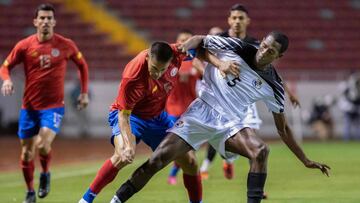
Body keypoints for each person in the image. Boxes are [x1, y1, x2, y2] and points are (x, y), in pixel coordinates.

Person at [110, 31, 330, 203]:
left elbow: (283, 129)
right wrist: (190, 49)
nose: (264, 52)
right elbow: (200, 41)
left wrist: (305, 160)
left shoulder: (274, 85)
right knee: (156, 161)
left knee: (261, 151)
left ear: (279, 56)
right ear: (261, 41)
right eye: (264, 45)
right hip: (201, 113)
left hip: (231, 125)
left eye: (271, 51)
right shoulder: (237, 46)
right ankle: (117, 198)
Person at [79, 41, 238, 203]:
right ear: (148, 57)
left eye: (163, 69)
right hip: (131, 116)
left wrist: (220, 64)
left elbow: (199, 48)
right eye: (154, 69)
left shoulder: (176, 53)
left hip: (157, 118)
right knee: (123, 155)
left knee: (190, 162)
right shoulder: (133, 75)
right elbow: (123, 116)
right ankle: (86, 199)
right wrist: (128, 144)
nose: (158, 74)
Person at [200, 3, 300, 182]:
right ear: (229, 20)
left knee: (251, 136)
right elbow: (200, 54)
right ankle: (219, 161)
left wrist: (288, 93)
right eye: (234, 18)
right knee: (217, 130)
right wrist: (218, 66)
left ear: (247, 21)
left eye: (241, 18)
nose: (237, 21)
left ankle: (255, 177)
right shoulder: (220, 38)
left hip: (244, 100)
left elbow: (271, 73)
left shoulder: (257, 45)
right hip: (217, 92)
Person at [0, 3, 89, 203]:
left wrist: (84, 93)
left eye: (49, 18)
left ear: (54, 22)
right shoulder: (24, 45)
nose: (46, 21)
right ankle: (30, 192)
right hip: (29, 107)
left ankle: (45, 173)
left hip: (53, 107)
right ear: (35, 22)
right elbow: (5, 67)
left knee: (42, 144)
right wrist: (6, 79)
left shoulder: (65, 44)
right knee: (26, 152)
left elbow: (82, 65)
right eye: (42, 18)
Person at [165, 30, 203, 185]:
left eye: (188, 39)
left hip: (192, 110)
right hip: (173, 109)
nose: (185, 42)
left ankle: (177, 173)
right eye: (182, 39)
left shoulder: (196, 60)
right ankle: (175, 173)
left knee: (190, 146)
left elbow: (206, 77)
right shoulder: (171, 60)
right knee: (177, 145)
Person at [338, 72, 360, 140]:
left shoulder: (357, 88)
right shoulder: (346, 87)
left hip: (355, 109)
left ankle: (358, 139)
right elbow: (345, 99)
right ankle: (346, 139)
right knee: (347, 125)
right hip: (348, 109)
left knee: (357, 125)